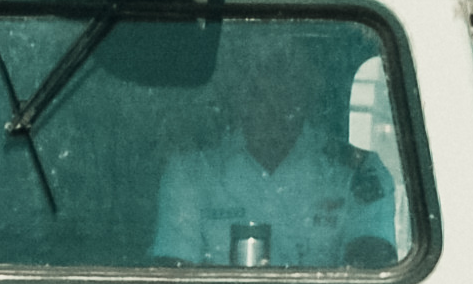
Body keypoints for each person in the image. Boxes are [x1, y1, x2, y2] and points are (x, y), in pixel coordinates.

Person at [148, 41, 397, 269]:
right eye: (255, 84)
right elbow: (175, 275)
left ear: (310, 89)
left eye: (284, 75)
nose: (271, 96)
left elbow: (370, 274)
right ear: (236, 93)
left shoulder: (356, 171)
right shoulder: (191, 172)